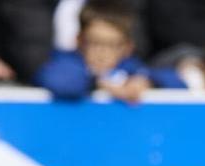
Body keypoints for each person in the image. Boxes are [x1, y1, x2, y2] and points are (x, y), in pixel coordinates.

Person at [35, 0, 184, 102]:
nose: (102, 53)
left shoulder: (131, 68)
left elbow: (179, 83)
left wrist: (147, 82)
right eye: (94, 42)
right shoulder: (66, 62)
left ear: (127, 47)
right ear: (79, 40)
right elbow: (59, 82)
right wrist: (99, 84)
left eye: (112, 45)